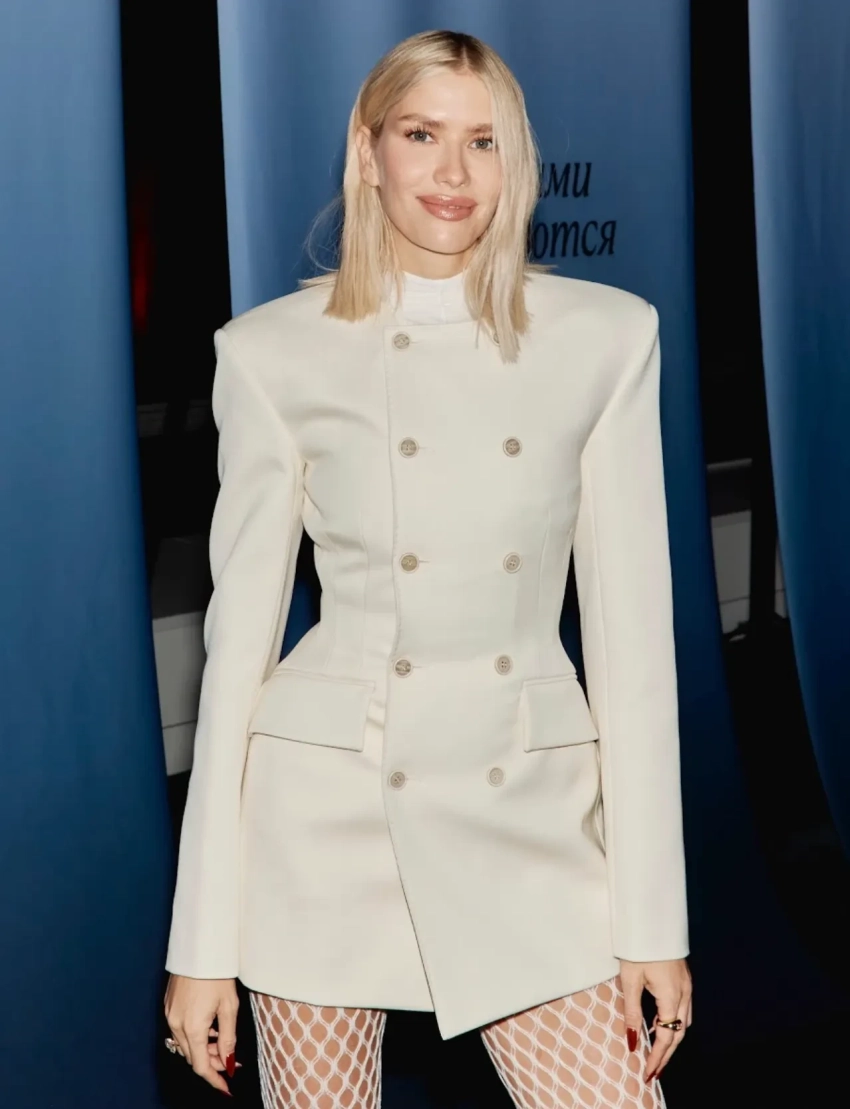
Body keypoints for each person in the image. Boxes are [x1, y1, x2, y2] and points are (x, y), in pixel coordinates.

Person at [163, 28, 693, 1109]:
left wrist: (653, 923)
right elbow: (235, 663)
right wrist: (201, 943)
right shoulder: (270, 353)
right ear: (368, 153)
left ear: (516, 163)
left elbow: (635, 653)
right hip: (322, 819)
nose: (453, 171)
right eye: (420, 135)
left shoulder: (606, 337)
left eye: (483, 141)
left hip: (526, 813)